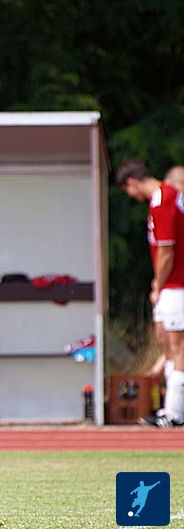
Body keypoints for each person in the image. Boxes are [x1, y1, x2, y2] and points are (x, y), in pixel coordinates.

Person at [116, 158, 184, 428]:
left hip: (176, 284)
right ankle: (170, 408)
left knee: (178, 346)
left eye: (128, 190)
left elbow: (167, 250)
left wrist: (158, 282)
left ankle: (175, 413)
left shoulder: (164, 199)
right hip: (169, 286)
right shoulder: (161, 199)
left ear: (132, 182)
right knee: (165, 342)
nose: (132, 196)